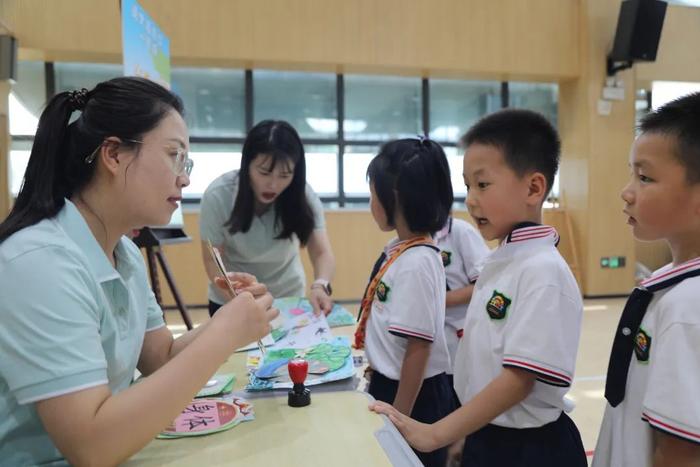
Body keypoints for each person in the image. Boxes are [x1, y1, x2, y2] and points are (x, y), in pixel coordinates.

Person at [0, 77, 278, 466]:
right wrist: (227, 331)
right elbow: (91, 447)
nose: (185, 177)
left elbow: (160, 356)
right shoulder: (37, 262)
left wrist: (233, 319)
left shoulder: (124, 253)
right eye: (173, 155)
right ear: (113, 154)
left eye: (187, 161)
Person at [371, 109, 587, 467]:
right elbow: (481, 366)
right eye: (468, 185)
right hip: (488, 436)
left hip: (529, 449)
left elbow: (518, 380)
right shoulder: (504, 258)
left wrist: (437, 433)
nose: (470, 199)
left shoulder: (543, 271)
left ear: (534, 188)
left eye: (483, 185)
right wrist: (464, 435)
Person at [593, 92, 700, 467]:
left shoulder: (688, 307)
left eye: (644, 177)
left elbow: (680, 453)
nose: (626, 191)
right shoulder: (669, 285)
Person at [355, 137, 455, 467]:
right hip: (393, 383)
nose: (371, 203)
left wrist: (399, 418)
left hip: (414, 394)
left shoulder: (417, 262)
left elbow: (418, 348)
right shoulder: (402, 249)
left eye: (373, 194)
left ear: (394, 197)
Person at [200, 120, 335, 316]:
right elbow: (213, 260)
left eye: (285, 175)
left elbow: (322, 252)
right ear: (247, 165)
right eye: (264, 172)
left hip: (287, 298)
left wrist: (320, 285)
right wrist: (238, 296)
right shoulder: (219, 195)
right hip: (232, 298)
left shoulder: (303, 195)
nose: (273, 184)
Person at [434, 215, 490, 378]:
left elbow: (485, 283)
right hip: (432, 342)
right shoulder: (412, 237)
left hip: (461, 336)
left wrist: (436, 301)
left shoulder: (461, 232)